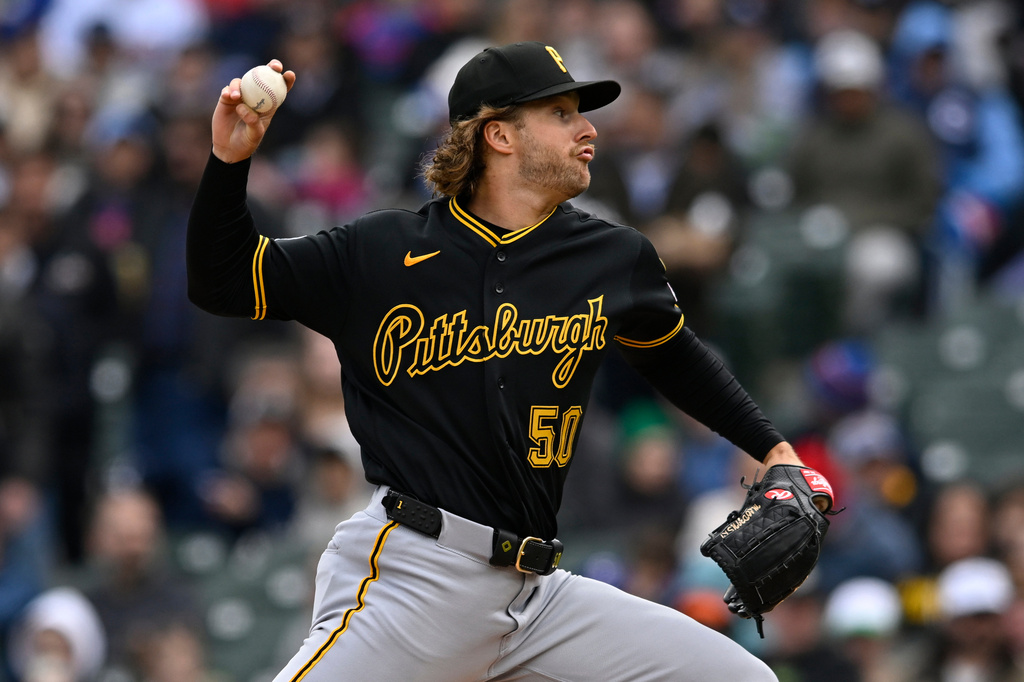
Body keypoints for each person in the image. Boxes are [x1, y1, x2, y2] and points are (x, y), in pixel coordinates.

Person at [187, 42, 822, 682]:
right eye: (562, 112)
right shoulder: (380, 252)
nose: (588, 128)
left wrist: (773, 449)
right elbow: (223, 282)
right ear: (499, 134)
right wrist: (228, 165)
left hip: (536, 596)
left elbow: (677, 360)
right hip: (414, 578)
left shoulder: (610, 257)